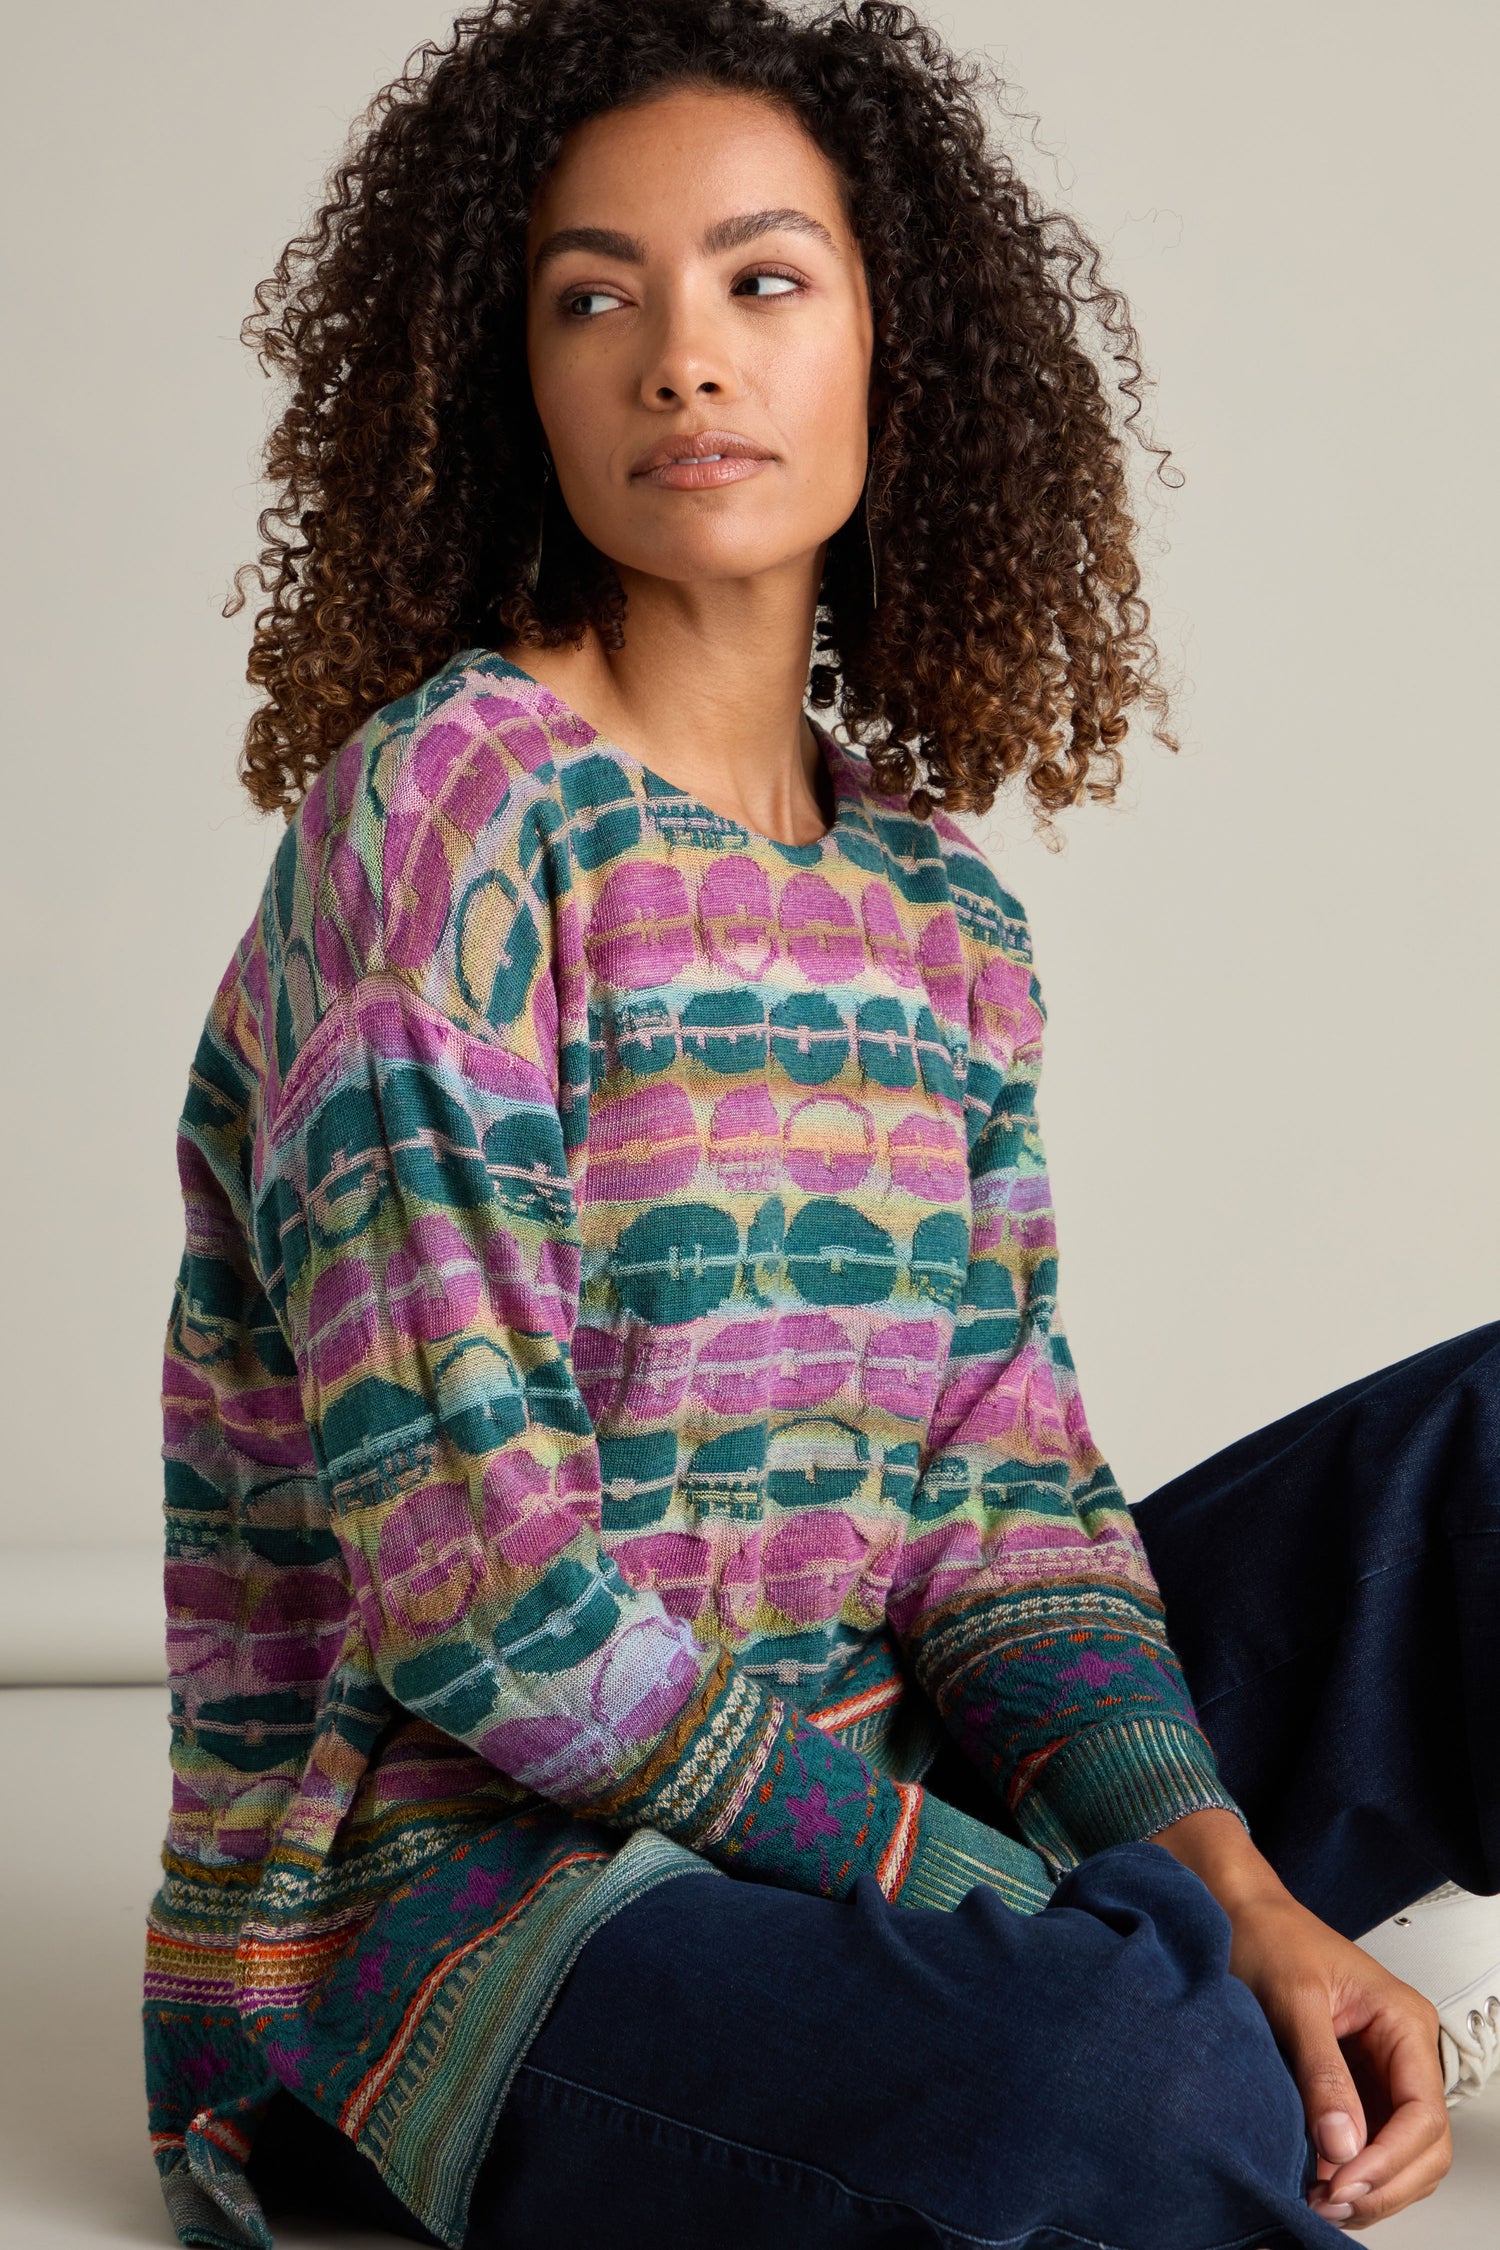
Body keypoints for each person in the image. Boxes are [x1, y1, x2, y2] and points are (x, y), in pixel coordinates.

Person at [141, 4, 1499, 2247]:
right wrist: (1013, 1906)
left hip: (859, 1772)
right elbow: (494, 1615)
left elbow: (1003, 1499)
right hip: (471, 1914)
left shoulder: (935, 900)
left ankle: (1175, 1991)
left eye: (764, 279)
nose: (686, 356)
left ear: (902, 348)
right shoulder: (447, 819)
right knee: (1127, 2084)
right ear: (521, 385)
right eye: (599, 297)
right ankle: (1129, 2034)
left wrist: (1228, 1887)